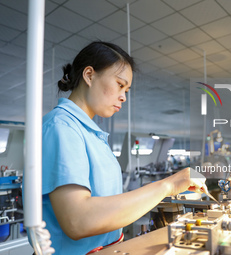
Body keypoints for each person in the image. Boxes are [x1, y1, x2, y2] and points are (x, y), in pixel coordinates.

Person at [41, 41, 204, 255]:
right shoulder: (61, 127)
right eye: (119, 84)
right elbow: (77, 220)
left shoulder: (91, 133)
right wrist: (169, 185)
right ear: (89, 75)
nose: (123, 97)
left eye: (126, 90)